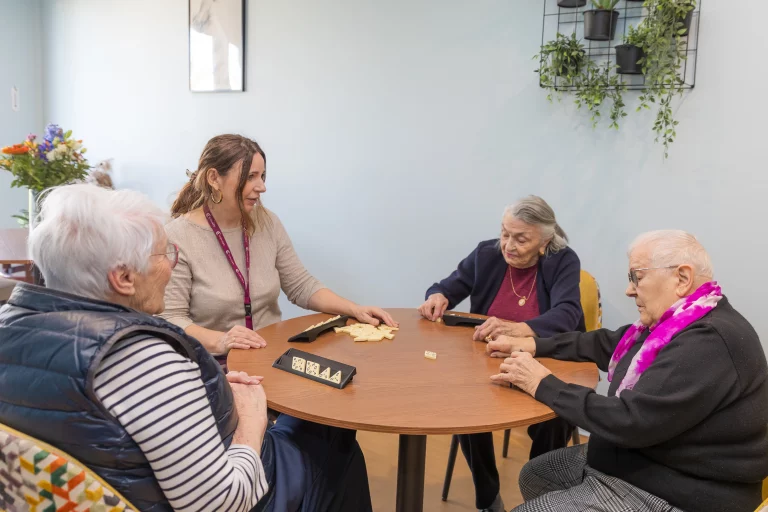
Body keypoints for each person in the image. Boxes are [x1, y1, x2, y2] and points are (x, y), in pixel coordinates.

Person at [0, 184, 372, 512]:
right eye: (164, 255)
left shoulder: (9, 325)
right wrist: (251, 421)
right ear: (125, 278)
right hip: (241, 492)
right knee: (332, 438)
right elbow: (225, 502)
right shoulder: (141, 359)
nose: (170, 265)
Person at [488, 230, 768, 512]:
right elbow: (606, 343)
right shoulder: (679, 322)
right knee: (536, 474)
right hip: (650, 460)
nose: (629, 289)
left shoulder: (708, 341)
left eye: (637, 277)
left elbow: (631, 420)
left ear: (682, 279)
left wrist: (541, 382)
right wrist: (533, 343)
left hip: (680, 490)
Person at [161, 134, 396, 368]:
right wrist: (223, 341)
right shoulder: (178, 236)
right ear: (214, 178)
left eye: (262, 176)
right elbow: (171, 319)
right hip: (213, 366)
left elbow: (300, 285)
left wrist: (354, 309)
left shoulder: (267, 222)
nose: (261, 187)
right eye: (250, 176)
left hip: (268, 357)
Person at [418, 195, 585, 512]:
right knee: (464, 407)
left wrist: (521, 328)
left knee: (557, 417)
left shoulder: (562, 259)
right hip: (491, 359)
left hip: (548, 359)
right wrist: (436, 295)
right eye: (505, 233)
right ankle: (488, 497)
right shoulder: (487, 253)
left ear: (544, 240)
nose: (508, 245)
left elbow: (567, 314)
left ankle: (538, 498)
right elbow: (448, 286)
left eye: (521, 238)